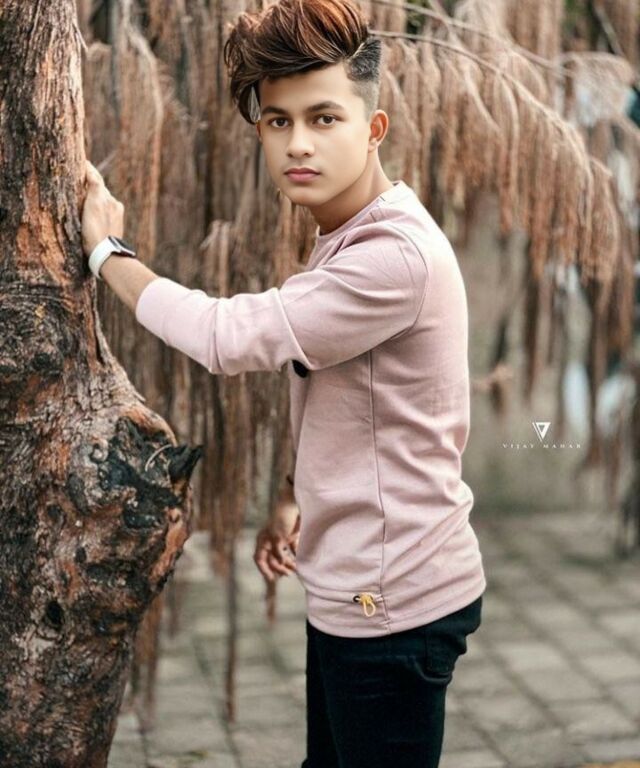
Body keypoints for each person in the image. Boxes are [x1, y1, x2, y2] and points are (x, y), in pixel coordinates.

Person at [80, 1, 486, 765]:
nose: (298, 143)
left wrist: (106, 252)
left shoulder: (392, 257)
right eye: (277, 121)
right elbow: (347, 391)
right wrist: (297, 495)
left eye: (324, 118)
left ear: (374, 127)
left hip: (389, 601)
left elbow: (225, 337)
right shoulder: (353, 235)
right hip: (360, 586)